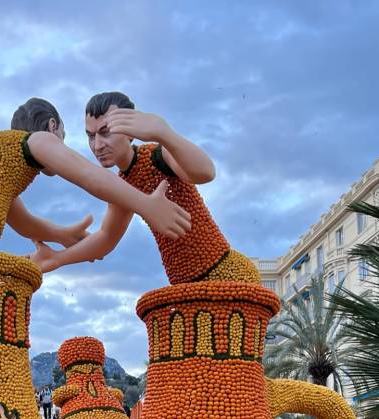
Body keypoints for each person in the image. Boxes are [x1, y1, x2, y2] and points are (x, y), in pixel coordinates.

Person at [0, 98, 191, 267]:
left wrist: (60, 234)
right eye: (67, 138)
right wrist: (146, 205)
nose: (62, 146)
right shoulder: (40, 140)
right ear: (53, 126)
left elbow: (23, 223)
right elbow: (89, 176)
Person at [30, 91, 258, 285]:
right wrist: (58, 258)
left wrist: (164, 133)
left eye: (106, 132)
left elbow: (205, 172)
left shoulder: (158, 155)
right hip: (185, 286)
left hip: (225, 275)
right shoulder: (121, 186)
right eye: (91, 136)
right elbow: (105, 238)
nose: (97, 145)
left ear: (130, 130)